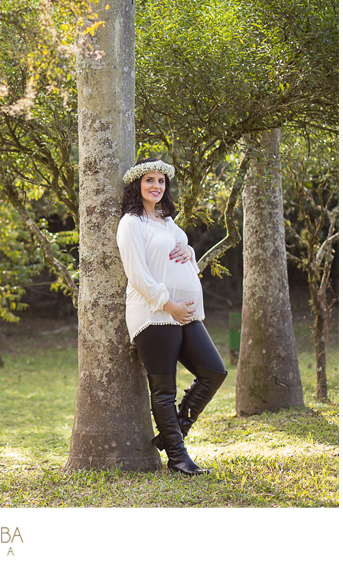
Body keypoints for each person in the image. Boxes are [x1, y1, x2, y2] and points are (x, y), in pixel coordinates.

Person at [116, 158, 228, 476]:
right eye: (150, 180)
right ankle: (179, 459)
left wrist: (190, 251)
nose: (157, 186)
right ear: (137, 185)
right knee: (164, 390)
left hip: (185, 314)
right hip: (153, 314)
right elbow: (137, 274)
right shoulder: (131, 223)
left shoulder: (166, 220)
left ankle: (171, 435)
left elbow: (182, 246)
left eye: (161, 181)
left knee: (214, 372)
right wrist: (169, 304)